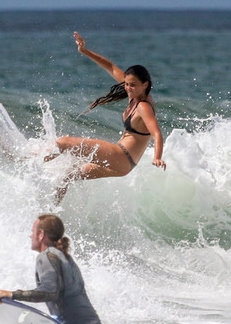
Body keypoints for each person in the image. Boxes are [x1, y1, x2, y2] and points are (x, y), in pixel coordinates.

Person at [47, 32, 166, 199]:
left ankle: (31, 159)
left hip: (122, 156)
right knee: (68, 175)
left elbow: (157, 133)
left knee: (63, 142)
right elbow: (110, 67)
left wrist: (157, 158)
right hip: (124, 165)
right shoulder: (134, 94)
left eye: (133, 85)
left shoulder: (144, 106)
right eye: (126, 84)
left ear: (145, 84)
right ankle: (50, 210)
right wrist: (84, 51)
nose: (128, 88)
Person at [0, 214, 105, 324]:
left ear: (41, 234)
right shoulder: (65, 257)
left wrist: (12, 295)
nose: (30, 236)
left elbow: (49, 292)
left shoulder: (46, 257)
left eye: (32, 232)